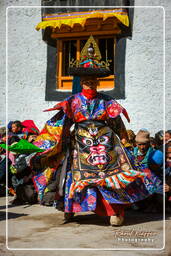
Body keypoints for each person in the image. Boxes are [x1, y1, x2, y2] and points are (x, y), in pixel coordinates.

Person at [28, 36, 162, 226]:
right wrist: (50, 144)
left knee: (115, 174)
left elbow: (117, 123)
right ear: (81, 82)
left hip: (107, 145)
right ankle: (71, 208)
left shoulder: (107, 101)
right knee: (74, 174)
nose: (90, 84)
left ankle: (115, 211)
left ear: (98, 82)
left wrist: (124, 140)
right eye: (87, 81)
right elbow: (60, 124)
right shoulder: (72, 102)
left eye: (93, 81)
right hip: (81, 145)